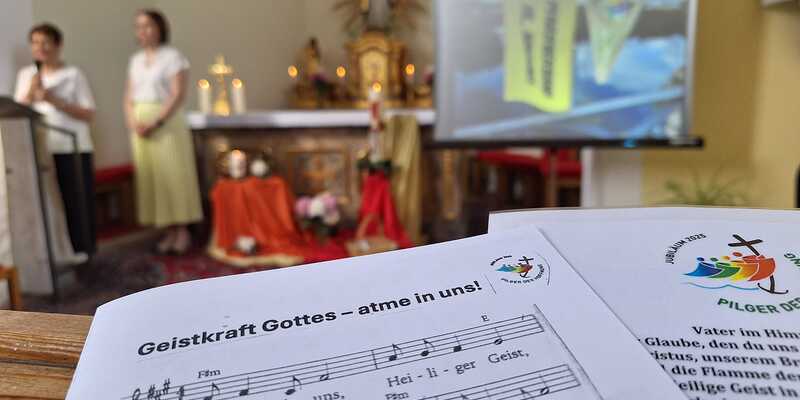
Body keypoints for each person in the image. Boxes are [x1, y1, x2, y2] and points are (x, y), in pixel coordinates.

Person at [14, 23, 97, 260]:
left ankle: (84, 252)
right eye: (35, 43)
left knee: (76, 202)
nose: (40, 47)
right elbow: (18, 111)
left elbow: (88, 113)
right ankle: (59, 254)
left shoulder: (73, 74)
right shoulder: (26, 75)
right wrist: (31, 93)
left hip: (72, 147)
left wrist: (53, 99)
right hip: (40, 149)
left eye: (45, 42)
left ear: (58, 45)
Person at [124, 9, 202, 255]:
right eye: (138, 26)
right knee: (154, 177)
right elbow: (128, 96)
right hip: (140, 122)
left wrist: (156, 122)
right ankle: (168, 230)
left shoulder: (172, 57)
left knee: (173, 175)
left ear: (160, 28)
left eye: (148, 25)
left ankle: (182, 230)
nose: (143, 31)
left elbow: (177, 94)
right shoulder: (136, 60)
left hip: (166, 123)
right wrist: (132, 121)